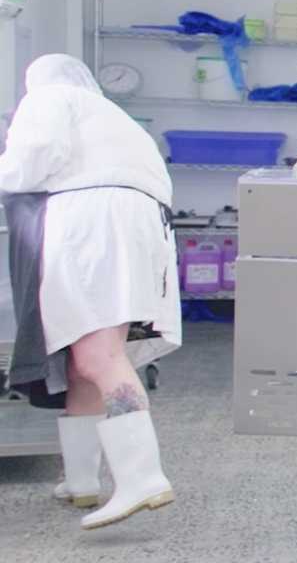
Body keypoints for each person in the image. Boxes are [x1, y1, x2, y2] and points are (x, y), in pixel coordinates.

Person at [0, 54, 180, 530]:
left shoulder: (49, 97)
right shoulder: (111, 117)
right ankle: (81, 481)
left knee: (99, 356)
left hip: (92, 226)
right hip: (138, 226)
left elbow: (30, 160)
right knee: (82, 363)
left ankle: (142, 477)